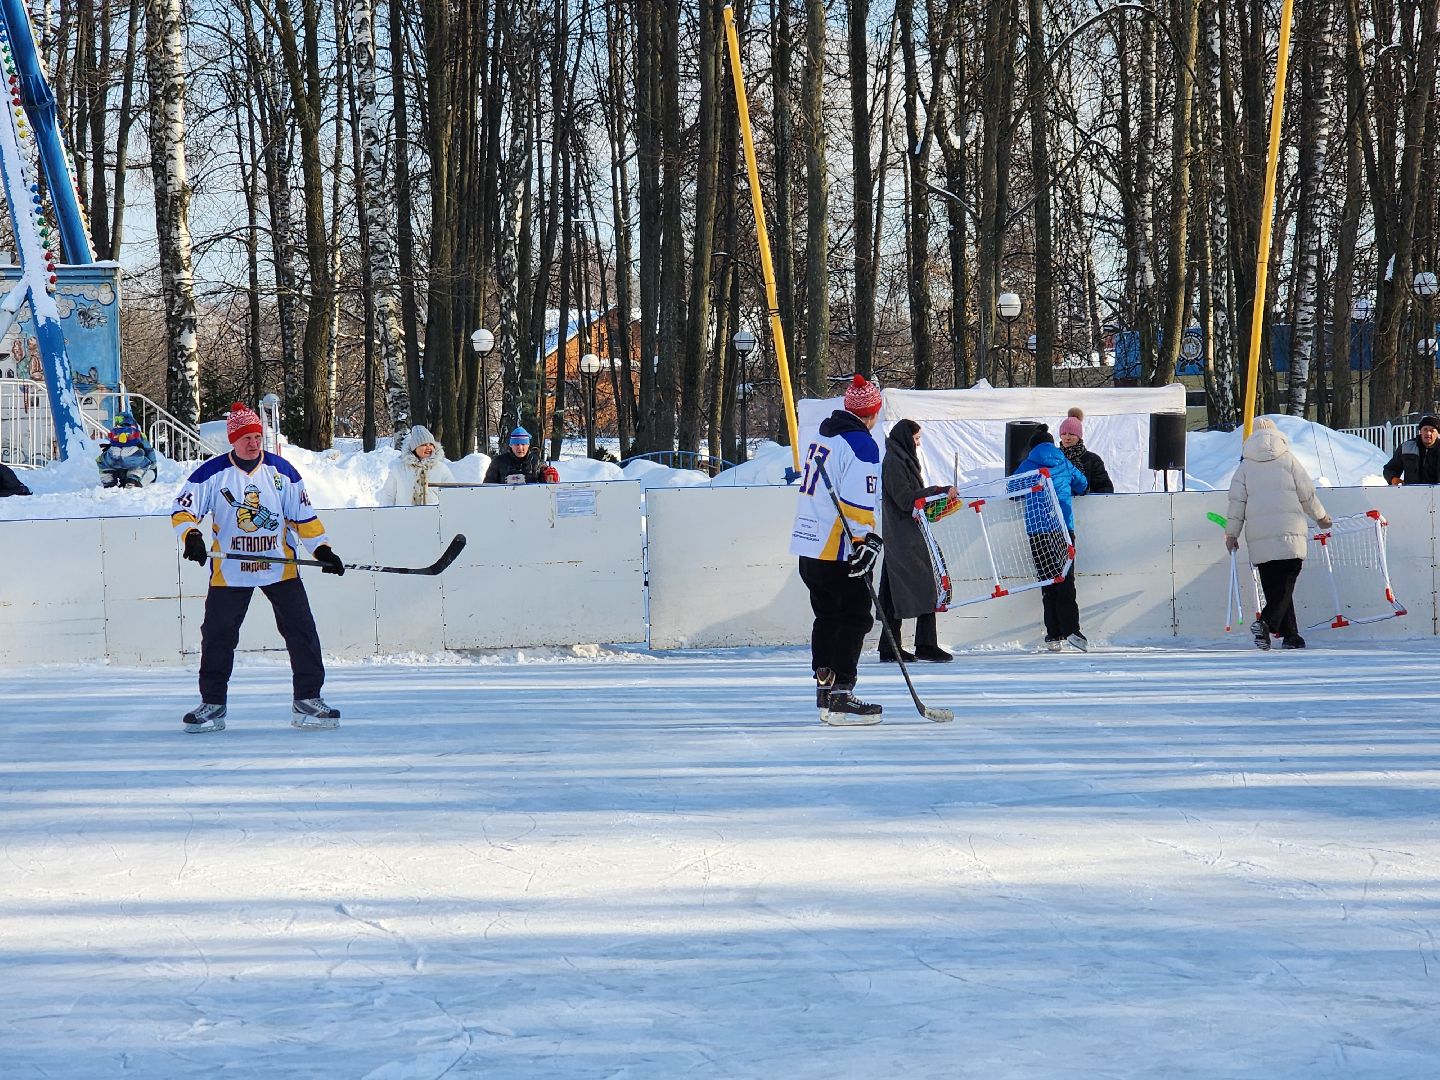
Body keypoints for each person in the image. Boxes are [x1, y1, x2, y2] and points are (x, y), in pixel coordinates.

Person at [171, 402, 346, 733]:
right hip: (231, 571)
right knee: (218, 636)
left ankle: (307, 698)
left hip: (280, 566)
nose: (253, 443)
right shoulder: (211, 474)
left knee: (302, 631)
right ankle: (213, 704)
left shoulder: (282, 472)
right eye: (246, 437)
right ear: (232, 440)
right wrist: (191, 535)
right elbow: (182, 509)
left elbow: (302, 516)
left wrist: (322, 549)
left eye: (257, 436)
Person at [790, 373, 886, 725]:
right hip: (837, 546)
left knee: (827, 614)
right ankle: (842, 693)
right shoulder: (862, 444)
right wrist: (865, 542)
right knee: (856, 615)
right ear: (873, 413)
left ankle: (825, 687)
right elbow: (858, 501)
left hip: (807, 543)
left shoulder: (822, 434)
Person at [1224, 417, 1331, 650]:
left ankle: (1291, 636)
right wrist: (1321, 518)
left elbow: (1236, 503)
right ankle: (1265, 623)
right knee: (1286, 582)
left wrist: (1231, 535)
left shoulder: (1244, 467)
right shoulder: (1288, 460)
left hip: (1260, 539)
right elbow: (1307, 494)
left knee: (1277, 588)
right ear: (1277, 434)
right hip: (1290, 532)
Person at [877, 419, 957, 664]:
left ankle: (890, 646)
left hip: (907, 534)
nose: (919, 443)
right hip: (903, 536)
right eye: (917, 439)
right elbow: (904, 499)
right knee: (925, 586)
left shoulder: (901, 459)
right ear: (906, 438)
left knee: (894, 593)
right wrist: (935, 491)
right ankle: (925, 644)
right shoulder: (894, 462)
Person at [1012, 425, 1089, 651]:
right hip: (1063, 529)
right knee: (1066, 579)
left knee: (1048, 581)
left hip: (1038, 531)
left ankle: (1053, 634)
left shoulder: (1028, 465)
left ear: (1032, 447)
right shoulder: (1064, 461)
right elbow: (1082, 484)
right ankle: (1072, 630)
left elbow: (1011, 490)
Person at [380, 424, 455, 506]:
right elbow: (388, 496)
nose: (428, 447)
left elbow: (452, 494)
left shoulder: (441, 468)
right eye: (423, 445)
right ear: (414, 448)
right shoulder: (398, 469)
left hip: (433, 516)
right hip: (404, 516)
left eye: (430, 444)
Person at [1057, 407, 1114, 493]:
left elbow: (1105, 489)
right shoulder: (1054, 457)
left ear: (1079, 436)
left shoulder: (1093, 460)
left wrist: (1087, 496)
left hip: (1086, 505)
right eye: (1064, 434)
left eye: (1072, 434)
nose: (1067, 437)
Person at [96, 409, 158, 488]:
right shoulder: (138, 433)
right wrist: (153, 463)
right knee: (143, 463)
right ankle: (132, 479)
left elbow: (113, 445)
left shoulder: (115, 432)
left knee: (102, 462)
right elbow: (148, 449)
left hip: (114, 459)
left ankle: (108, 480)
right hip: (133, 458)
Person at [484, 426, 558, 485]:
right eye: (516, 444)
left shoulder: (537, 462)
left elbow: (547, 489)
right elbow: (488, 487)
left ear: (528, 445)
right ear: (511, 445)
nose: (520, 448)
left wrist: (549, 478)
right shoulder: (498, 462)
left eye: (523, 444)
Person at [1382, 414, 1440, 485]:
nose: (1428, 433)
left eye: (1432, 430)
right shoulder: (1406, 447)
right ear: (1420, 431)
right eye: (1425, 429)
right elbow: (1390, 468)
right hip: (1412, 492)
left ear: (1437, 433)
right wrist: (1393, 479)